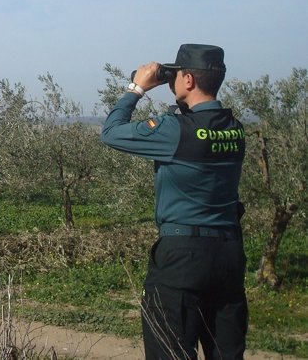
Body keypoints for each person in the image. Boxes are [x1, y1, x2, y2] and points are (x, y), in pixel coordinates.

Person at [100, 44, 247, 359]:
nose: (171, 82)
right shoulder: (236, 130)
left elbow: (111, 133)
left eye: (175, 75)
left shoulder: (174, 131)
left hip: (183, 258)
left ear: (189, 80)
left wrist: (137, 88)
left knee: (170, 350)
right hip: (229, 257)